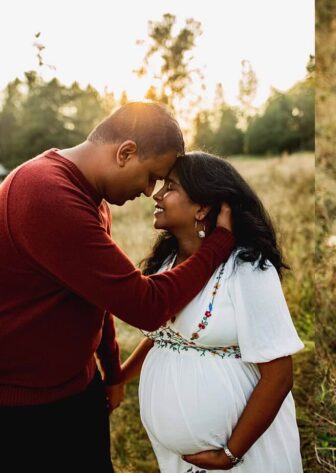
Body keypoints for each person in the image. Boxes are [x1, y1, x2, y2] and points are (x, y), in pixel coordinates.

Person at [0, 103, 235, 471]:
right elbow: (147, 305)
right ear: (125, 152)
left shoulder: (89, 196)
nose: (149, 191)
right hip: (25, 408)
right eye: (151, 176)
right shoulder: (45, 193)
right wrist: (219, 243)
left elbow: (96, 297)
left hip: (76, 387)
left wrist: (111, 371)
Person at [118, 152, 304, 472]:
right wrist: (119, 377)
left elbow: (279, 373)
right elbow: (162, 336)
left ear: (202, 207)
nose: (157, 194)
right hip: (178, 459)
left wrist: (230, 454)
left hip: (240, 455)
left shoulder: (246, 267)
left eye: (171, 187)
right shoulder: (166, 262)